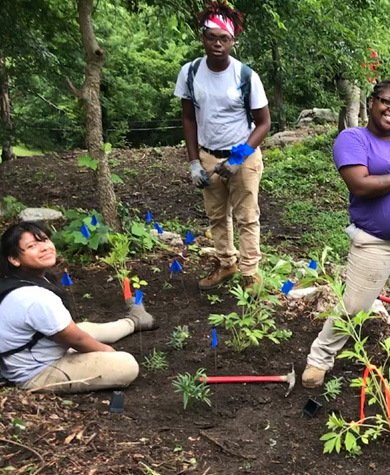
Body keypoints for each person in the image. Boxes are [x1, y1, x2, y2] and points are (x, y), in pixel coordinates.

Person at [302, 80, 390, 388]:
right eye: (387, 102)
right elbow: (360, 186)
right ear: (371, 102)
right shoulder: (353, 138)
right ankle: (320, 358)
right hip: (374, 240)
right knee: (354, 306)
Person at [174, 1, 271, 292]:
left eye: (224, 38)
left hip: (243, 155)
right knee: (216, 215)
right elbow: (189, 118)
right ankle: (226, 262)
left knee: (247, 217)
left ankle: (249, 273)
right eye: (211, 37)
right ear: (203, 38)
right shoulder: (190, 73)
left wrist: (239, 157)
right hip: (208, 155)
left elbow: (264, 123)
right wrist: (194, 162)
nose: (217, 44)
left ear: (233, 41)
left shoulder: (245, 76)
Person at [0, 222, 158, 393]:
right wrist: (107, 352)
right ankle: (130, 327)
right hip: (34, 371)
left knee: (86, 329)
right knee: (126, 365)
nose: (44, 247)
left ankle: (134, 321)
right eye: (32, 246)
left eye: (44, 240)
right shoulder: (33, 297)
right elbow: (76, 340)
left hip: (37, 348)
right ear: (14, 259)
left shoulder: (18, 280)